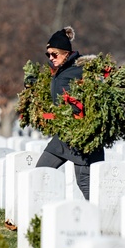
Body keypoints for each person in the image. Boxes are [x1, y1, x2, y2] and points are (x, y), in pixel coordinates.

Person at [31, 26, 104, 200]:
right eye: (48, 55)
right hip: (64, 135)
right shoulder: (60, 70)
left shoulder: (80, 69)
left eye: (54, 54)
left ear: (65, 53)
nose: (51, 58)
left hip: (82, 136)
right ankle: (36, 218)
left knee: (85, 183)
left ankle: (102, 221)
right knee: (40, 172)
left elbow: (93, 97)